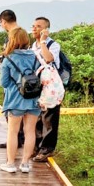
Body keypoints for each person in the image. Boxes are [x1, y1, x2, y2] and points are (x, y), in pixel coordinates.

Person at [0, 25, 41, 173]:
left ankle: (10, 164)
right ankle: (25, 164)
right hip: (34, 99)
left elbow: (3, 83)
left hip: (15, 100)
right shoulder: (35, 56)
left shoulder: (8, 58)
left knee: (13, 131)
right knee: (30, 131)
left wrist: (14, 86)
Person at [30, 16, 62, 162]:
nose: (34, 28)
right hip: (38, 85)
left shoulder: (53, 45)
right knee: (37, 117)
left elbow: (49, 59)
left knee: (49, 117)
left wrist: (43, 41)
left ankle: (47, 149)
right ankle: (37, 147)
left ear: (46, 30)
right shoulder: (32, 46)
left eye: (38, 26)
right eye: (33, 26)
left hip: (51, 87)